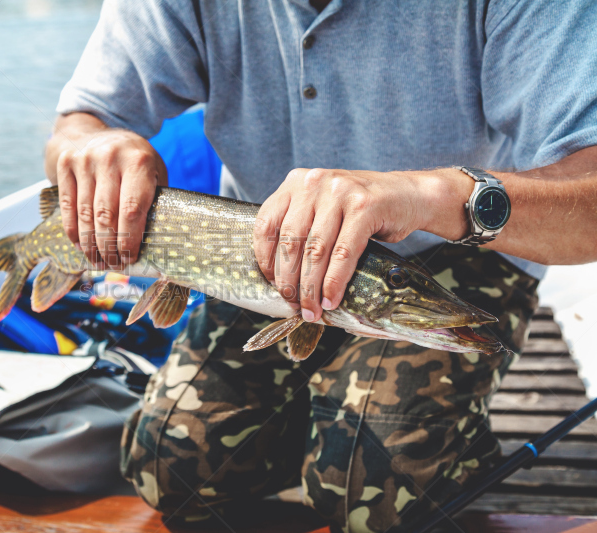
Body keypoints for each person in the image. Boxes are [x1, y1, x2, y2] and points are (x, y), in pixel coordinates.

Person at [44, 1, 597, 531]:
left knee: (373, 487)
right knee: (170, 470)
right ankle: (312, 424)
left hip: (456, 246)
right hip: (259, 255)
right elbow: (79, 122)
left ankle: (434, 443)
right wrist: (88, 142)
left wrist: (430, 195)